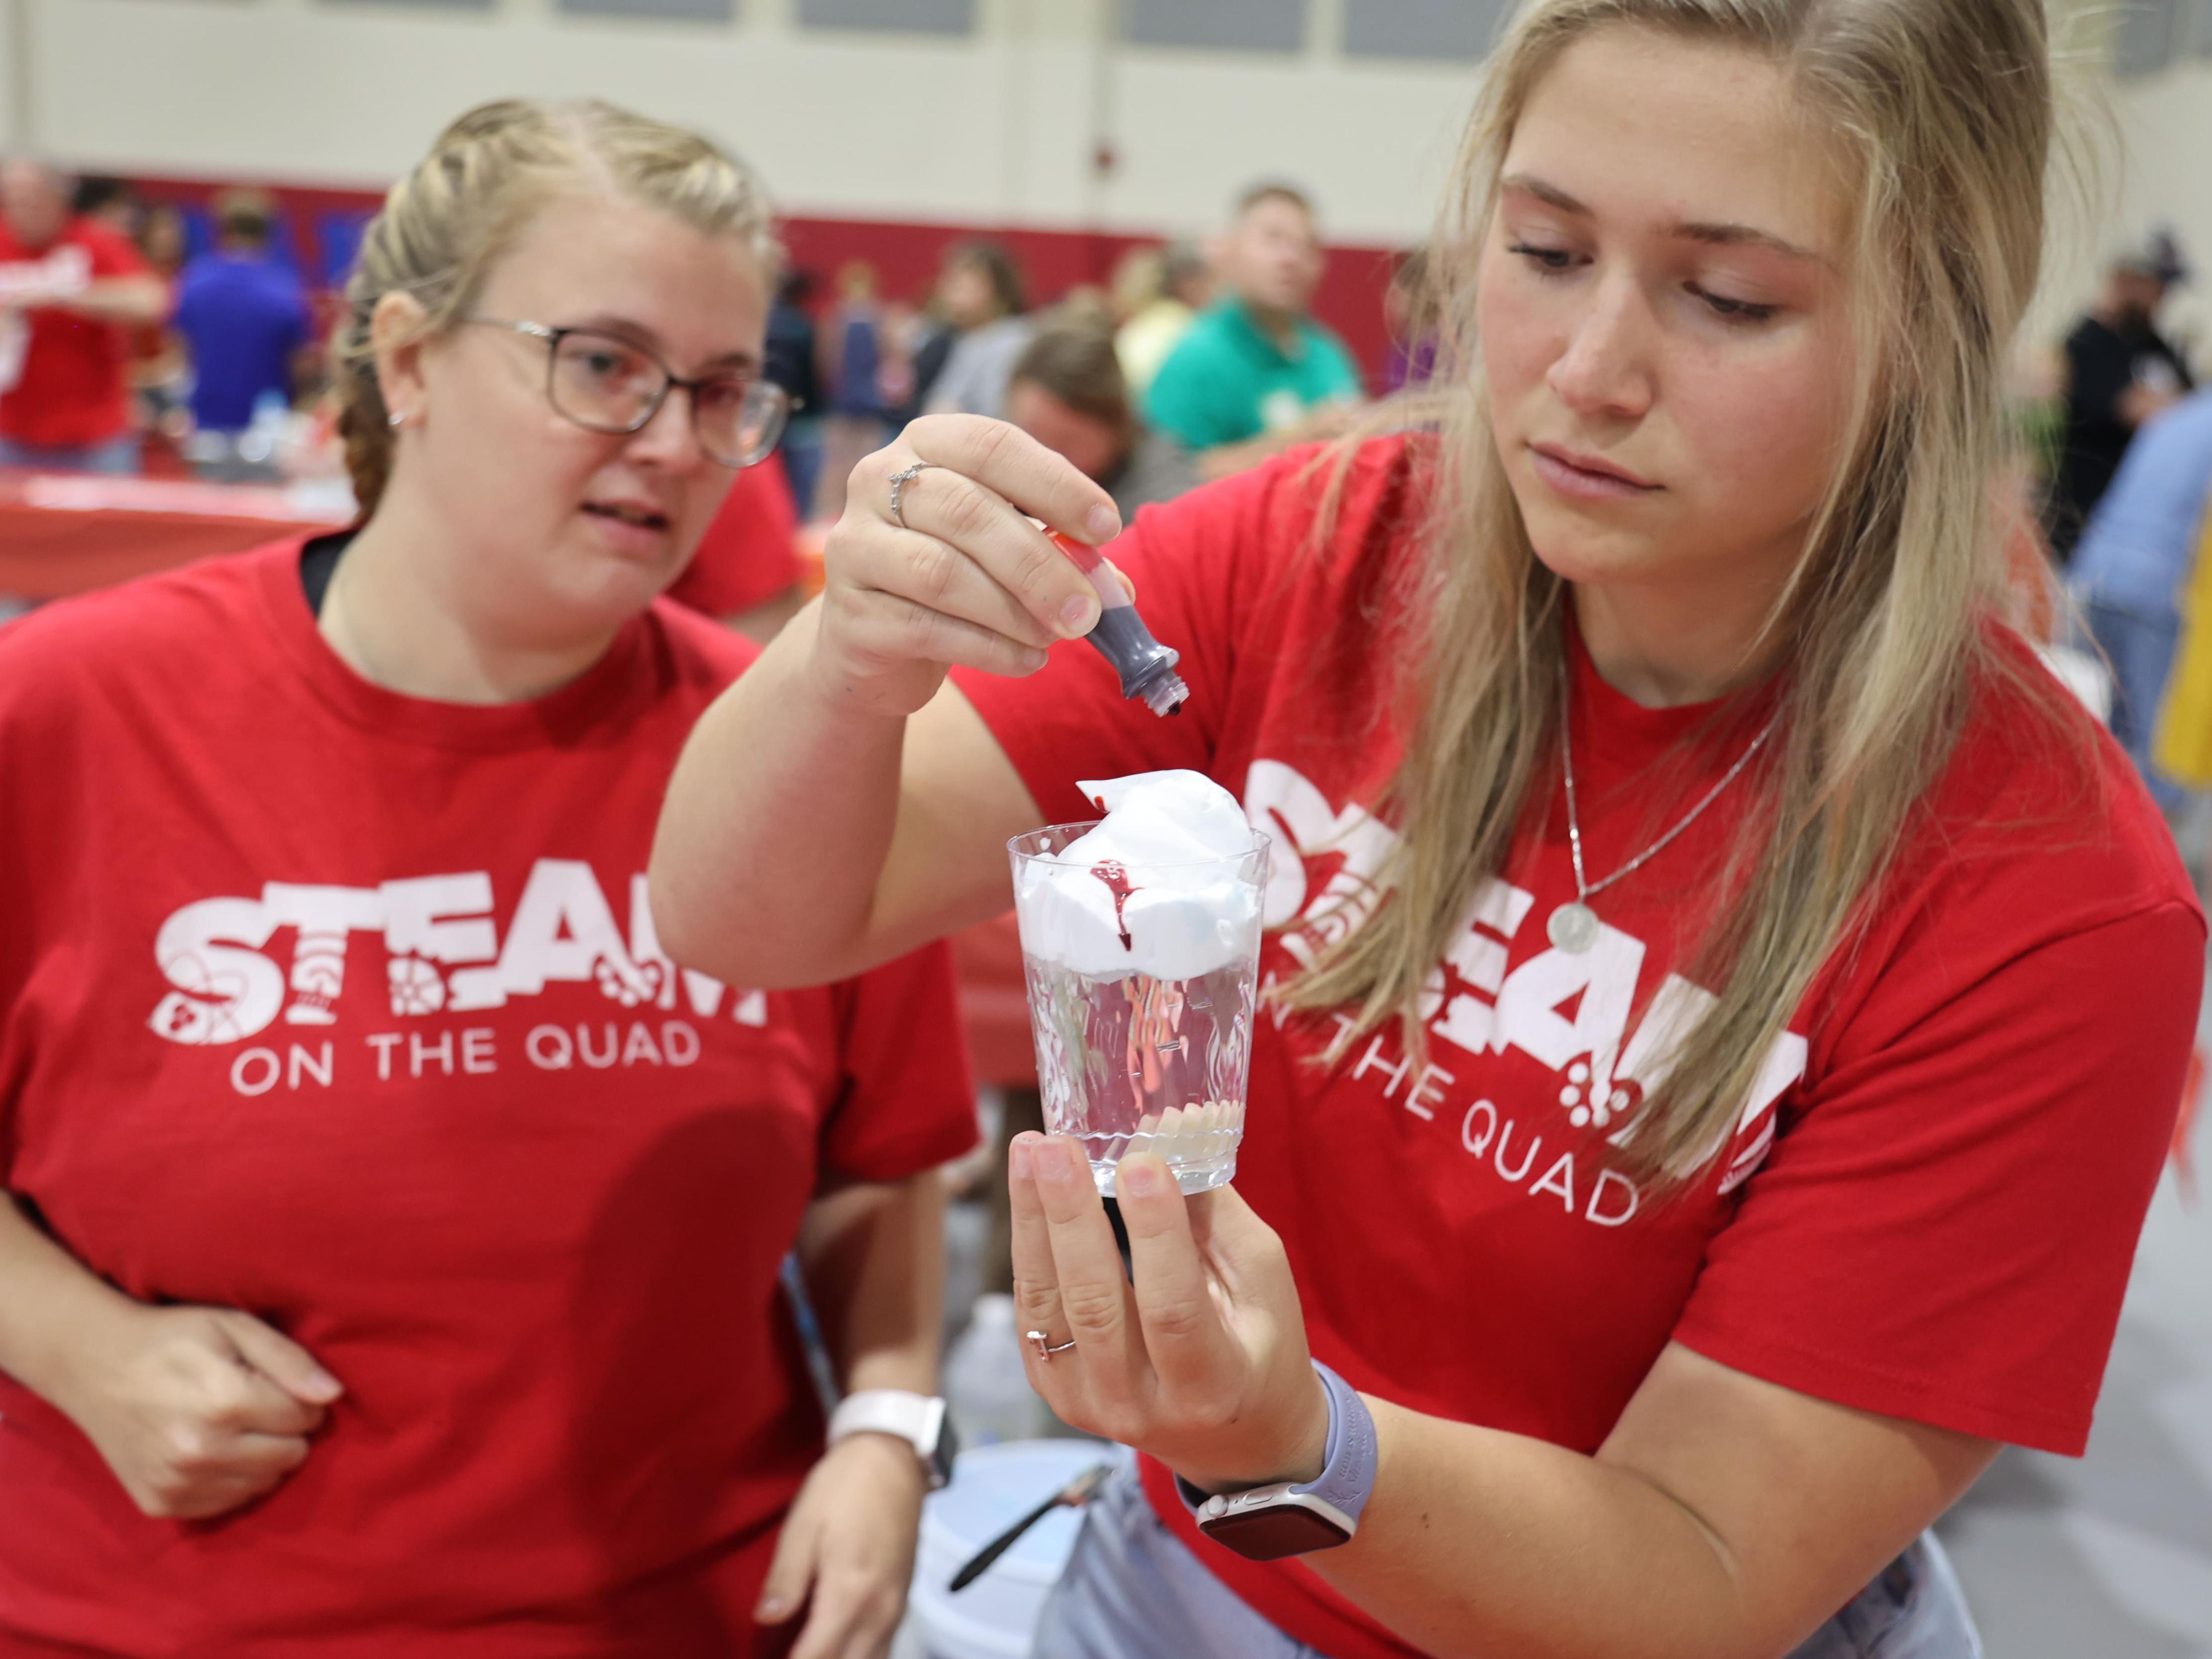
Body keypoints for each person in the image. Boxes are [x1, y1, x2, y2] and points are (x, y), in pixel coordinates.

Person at [649, 2, 2203, 1657]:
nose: (1587, 372)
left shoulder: (2048, 896)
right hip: (1180, 1576)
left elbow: (1699, 1573)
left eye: (1726, 298)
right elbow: (745, 916)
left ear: (1928, 324)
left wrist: (1294, 1447)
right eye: (1542, 249)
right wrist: (849, 654)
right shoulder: (1324, 548)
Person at [0, 99, 975, 1658]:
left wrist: (886, 1425)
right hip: (143, 1613)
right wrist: (74, 1345)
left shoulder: (800, 755)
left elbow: (882, 1161)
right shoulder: (68, 711)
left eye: (722, 390)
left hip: (684, 1613)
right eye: (602, 363)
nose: (670, 440)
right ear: (405, 360)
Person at [1143, 183, 1362, 481]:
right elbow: (1164, 480)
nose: (1291, 258)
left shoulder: (1328, 352)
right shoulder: (1196, 358)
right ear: (1231, 251)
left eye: (1307, 246)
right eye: (1273, 239)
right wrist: (1300, 441)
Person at [2068, 386, 2212, 817]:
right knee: (2162, 758)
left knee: (2096, 752)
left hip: (2095, 574)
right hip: (2156, 592)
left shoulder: (2178, 415)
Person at [0, 157, 168, 474]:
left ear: (58, 199)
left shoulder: (96, 242)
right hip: (11, 432)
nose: (21, 214)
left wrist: (65, 295)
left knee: (109, 523)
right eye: (13, 203)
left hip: (95, 437)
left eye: (32, 203)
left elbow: (150, 302)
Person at [2047, 231, 2196, 561]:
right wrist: (2184, 411)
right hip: (2093, 527)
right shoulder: (2088, 343)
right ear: (2128, 279)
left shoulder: (2153, 342)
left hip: (2155, 533)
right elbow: (2140, 410)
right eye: (2156, 284)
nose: (2161, 297)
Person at [1005, 320, 1196, 521]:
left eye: (1067, 442)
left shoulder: (1164, 494)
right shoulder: (1008, 484)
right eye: (1030, 435)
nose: (1045, 457)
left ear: (1116, 426)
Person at [173, 187, 315, 436]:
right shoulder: (284, 290)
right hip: (267, 424)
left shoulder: (194, 283)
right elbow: (301, 364)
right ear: (270, 233)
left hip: (207, 422)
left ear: (221, 229)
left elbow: (182, 352)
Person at [922, 238, 1033, 421]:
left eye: (966, 286)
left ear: (998, 290)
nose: (950, 295)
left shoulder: (1011, 342)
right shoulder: (965, 338)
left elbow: (995, 417)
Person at [1115, 238, 1213, 399]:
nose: (1214, 293)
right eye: (1209, 282)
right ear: (1190, 285)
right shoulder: (1191, 331)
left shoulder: (1137, 328)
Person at [764, 267, 825, 519]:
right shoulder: (801, 325)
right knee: (799, 486)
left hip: (770, 412)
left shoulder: (768, 322)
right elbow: (814, 372)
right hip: (801, 415)